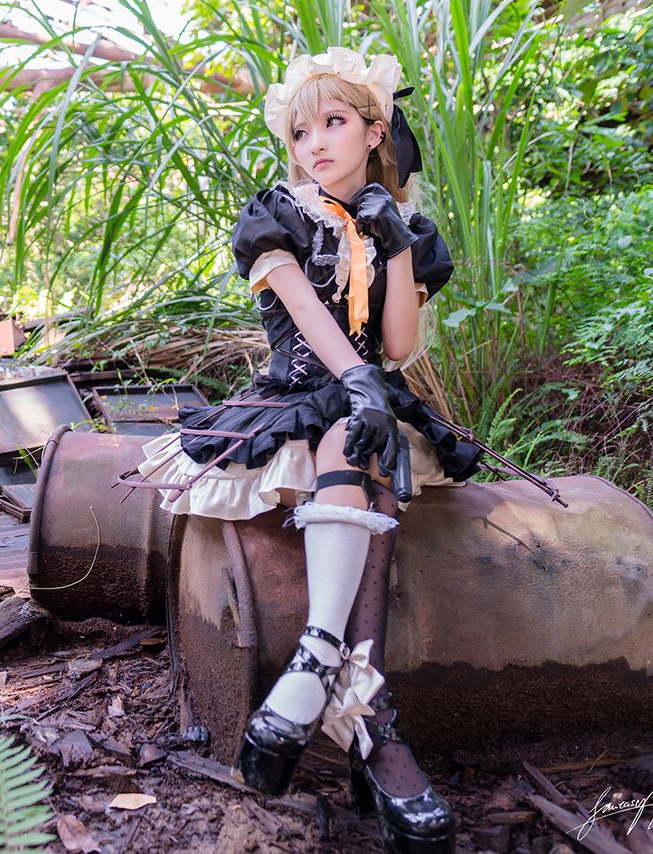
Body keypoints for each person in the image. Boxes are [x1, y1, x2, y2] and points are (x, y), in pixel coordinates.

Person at [132, 46, 483, 854]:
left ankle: (317, 671)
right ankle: (362, 708)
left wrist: (394, 241)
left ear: (374, 131)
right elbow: (312, 320)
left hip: (364, 402)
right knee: (352, 429)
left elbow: (398, 345)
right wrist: (359, 384)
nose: (314, 142)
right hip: (296, 396)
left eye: (334, 122)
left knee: (364, 438)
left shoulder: (404, 228)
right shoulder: (278, 215)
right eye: (300, 131)